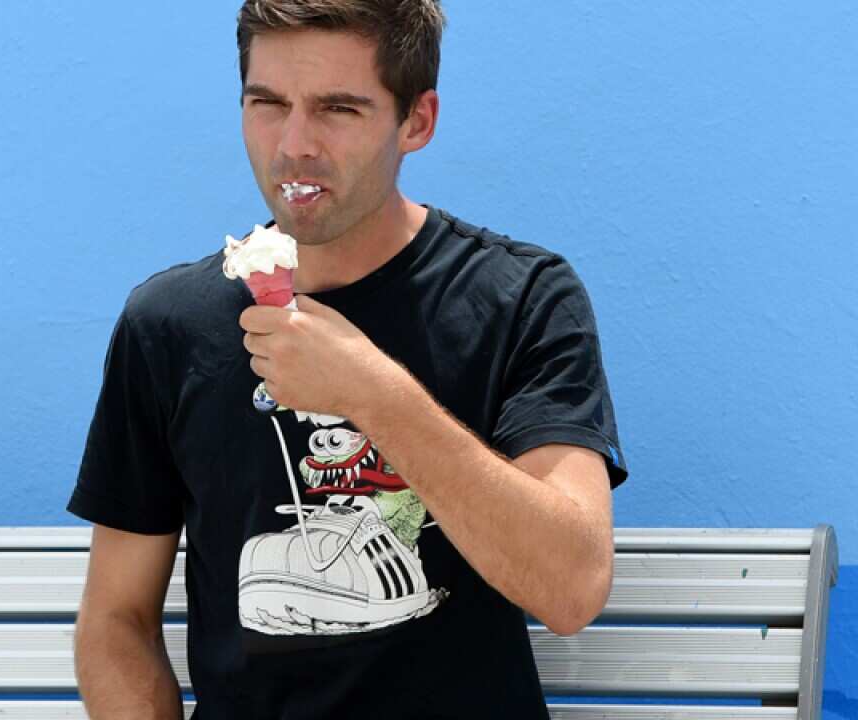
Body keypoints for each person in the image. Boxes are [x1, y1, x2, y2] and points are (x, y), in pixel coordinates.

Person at [67, 1, 629, 717]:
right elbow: (117, 620)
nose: (294, 144)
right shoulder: (169, 324)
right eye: (267, 103)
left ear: (416, 121)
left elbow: (571, 591)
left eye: (338, 109)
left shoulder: (520, 299)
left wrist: (371, 392)